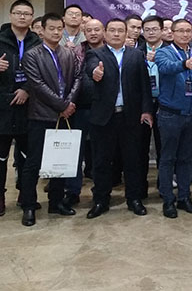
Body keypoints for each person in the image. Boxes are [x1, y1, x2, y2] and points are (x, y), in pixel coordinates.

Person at [0, 0, 42, 217]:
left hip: (29, 108)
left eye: (27, 14)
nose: (22, 17)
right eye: (18, 13)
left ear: (32, 17)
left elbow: (43, 73)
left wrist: (27, 90)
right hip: (1, 108)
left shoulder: (37, 43)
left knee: (27, 156)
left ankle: (25, 193)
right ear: (11, 15)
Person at [85, 18, 154, 219]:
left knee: (133, 160)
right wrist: (95, 72)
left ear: (126, 34)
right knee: (101, 161)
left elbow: (144, 85)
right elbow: (90, 68)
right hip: (104, 117)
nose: (116, 34)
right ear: (105, 33)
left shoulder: (136, 55)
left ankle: (134, 199)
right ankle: (101, 200)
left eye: (120, 31)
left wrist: (146, 110)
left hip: (130, 116)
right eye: (112, 30)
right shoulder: (95, 54)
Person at [19, 13, 82, 226]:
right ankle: (29, 205)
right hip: (41, 115)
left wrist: (69, 103)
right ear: (42, 30)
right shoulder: (32, 55)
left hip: (65, 115)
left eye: (59, 29)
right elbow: (37, 85)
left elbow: (77, 79)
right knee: (33, 162)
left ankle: (56, 202)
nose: (56, 32)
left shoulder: (68, 53)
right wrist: (62, 106)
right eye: (51, 28)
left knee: (60, 161)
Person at [154, 19, 192, 218]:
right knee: (168, 158)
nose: (184, 34)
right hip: (170, 114)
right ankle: (168, 200)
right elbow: (165, 68)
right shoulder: (163, 52)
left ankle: (184, 197)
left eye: (188, 31)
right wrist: (184, 64)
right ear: (172, 33)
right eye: (180, 31)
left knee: (186, 158)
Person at [64, 18, 104, 205]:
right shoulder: (74, 52)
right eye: (89, 30)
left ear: (103, 31)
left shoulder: (110, 52)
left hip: (103, 109)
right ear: (84, 32)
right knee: (75, 152)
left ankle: (100, 193)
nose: (93, 33)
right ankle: (72, 191)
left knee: (100, 153)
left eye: (97, 29)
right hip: (78, 109)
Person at [137, 15, 168, 199]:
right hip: (142, 104)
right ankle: (140, 188)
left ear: (162, 30)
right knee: (140, 148)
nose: (150, 33)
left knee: (164, 148)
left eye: (154, 29)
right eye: (147, 29)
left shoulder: (170, 50)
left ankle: (164, 186)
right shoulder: (135, 51)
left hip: (165, 103)